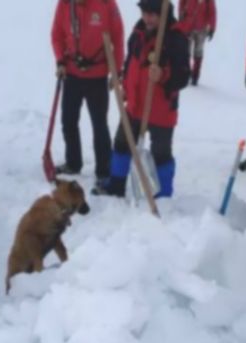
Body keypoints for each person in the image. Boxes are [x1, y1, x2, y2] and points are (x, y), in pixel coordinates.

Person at [95, 0, 190, 198]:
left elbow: (182, 76)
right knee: (122, 143)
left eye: (152, 14)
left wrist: (163, 75)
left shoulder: (175, 37)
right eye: (144, 12)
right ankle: (116, 185)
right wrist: (125, 89)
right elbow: (132, 64)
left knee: (160, 154)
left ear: (163, 14)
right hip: (135, 105)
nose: (147, 18)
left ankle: (163, 196)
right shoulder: (138, 32)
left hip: (161, 109)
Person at [51, 0, 125, 191]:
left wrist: (116, 71)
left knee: (99, 125)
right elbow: (57, 35)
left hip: (97, 77)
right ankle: (73, 163)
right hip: (72, 74)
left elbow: (117, 36)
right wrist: (60, 60)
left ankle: (104, 170)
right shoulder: (65, 4)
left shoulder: (106, 4)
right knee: (68, 121)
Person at [178, 0, 216, 86]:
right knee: (185, 51)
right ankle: (186, 72)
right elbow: (182, 3)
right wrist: (181, 17)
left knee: (198, 52)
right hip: (188, 25)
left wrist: (212, 28)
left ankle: (195, 75)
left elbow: (212, 12)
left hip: (201, 28)